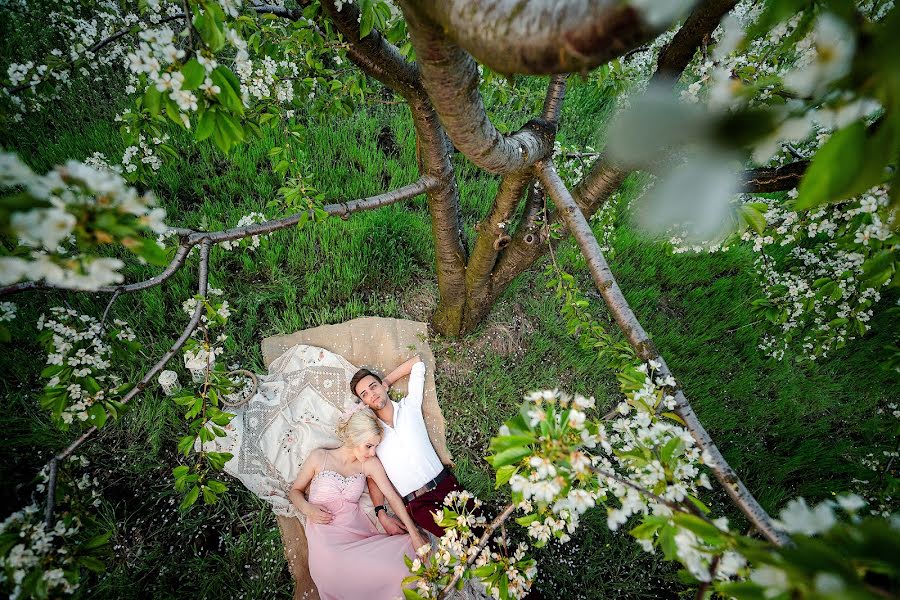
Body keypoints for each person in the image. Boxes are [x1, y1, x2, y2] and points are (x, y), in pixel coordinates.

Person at [288, 407, 428, 600]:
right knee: (338, 570)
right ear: (354, 437)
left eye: (375, 447)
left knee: (408, 555)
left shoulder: (369, 464)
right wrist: (307, 508)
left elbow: (392, 497)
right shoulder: (320, 457)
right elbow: (295, 491)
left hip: (356, 535)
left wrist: (413, 534)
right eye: (368, 446)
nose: (372, 452)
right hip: (326, 540)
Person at [351, 355, 469, 538]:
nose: (371, 394)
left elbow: (417, 362)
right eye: (364, 394)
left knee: (487, 531)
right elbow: (372, 474)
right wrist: (380, 512)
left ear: (382, 385)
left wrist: (387, 380)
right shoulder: (372, 434)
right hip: (419, 504)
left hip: (445, 485)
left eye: (373, 386)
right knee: (462, 546)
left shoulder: (410, 405)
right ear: (363, 403)